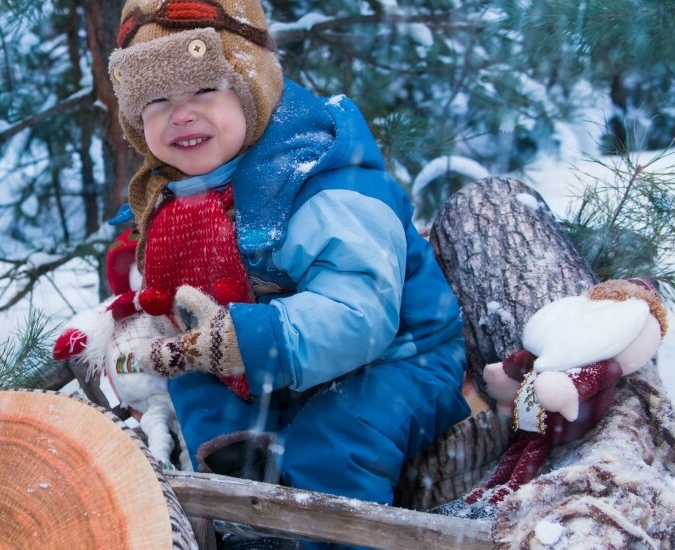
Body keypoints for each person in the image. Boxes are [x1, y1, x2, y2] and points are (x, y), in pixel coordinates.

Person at [104, 0, 471, 546]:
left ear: (253, 89)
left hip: (396, 356)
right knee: (203, 404)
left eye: (204, 91)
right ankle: (241, 513)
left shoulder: (317, 182)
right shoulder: (170, 196)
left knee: (334, 443)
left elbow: (360, 313)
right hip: (263, 361)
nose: (180, 114)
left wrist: (252, 339)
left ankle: (334, 535)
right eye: (156, 100)